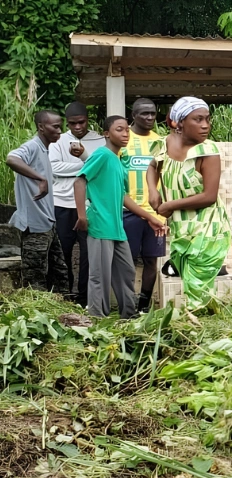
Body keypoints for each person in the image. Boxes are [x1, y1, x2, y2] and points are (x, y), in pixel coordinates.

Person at [74, 116, 166, 319]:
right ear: (106, 133)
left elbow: (124, 197)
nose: (125, 134)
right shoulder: (102, 155)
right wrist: (81, 215)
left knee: (126, 272)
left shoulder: (118, 161)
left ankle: (128, 316)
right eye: (119, 130)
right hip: (99, 224)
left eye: (127, 130)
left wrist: (149, 217)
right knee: (99, 276)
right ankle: (98, 319)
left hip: (117, 227)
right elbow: (79, 182)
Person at [146, 97, 231, 310]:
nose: (205, 125)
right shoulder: (165, 144)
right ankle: (204, 328)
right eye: (198, 119)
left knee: (197, 294)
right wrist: (153, 189)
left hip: (208, 231)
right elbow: (152, 166)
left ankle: (200, 335)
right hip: (182, 231)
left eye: (207, 119)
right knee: (193, 290)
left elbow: (209, 196)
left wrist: (169, 206)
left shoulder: (208, 151)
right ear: (179, 122)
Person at [5, 110, 70, 293]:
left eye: (61, 126)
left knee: (60, 274)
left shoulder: (44, 149)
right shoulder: (33, 146)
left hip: (48, 224)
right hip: (35, 227)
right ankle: (36, 317)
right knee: (35, 280)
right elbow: (11, 159)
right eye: (55, 126)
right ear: (41, 127)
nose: (60, 130)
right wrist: (41, 179)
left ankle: (64, 312)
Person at [49, 101, 105, 306]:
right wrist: (85, 165)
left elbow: (101, 169)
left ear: (87, 120)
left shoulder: (99, 140)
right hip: (61, 202)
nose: (77, 127)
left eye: (81, 122)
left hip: (89, 205)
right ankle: (64, 295)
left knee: (88, 254)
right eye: (72, 124)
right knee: (62, 251)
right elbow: (54, 167)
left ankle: (84, 297)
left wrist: (84, 162)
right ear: (67, 123)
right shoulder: (58, 140)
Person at [119, 98, 165, 312]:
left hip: (156, 215)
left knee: (151, 261)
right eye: (144, 114)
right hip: (128, 211)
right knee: (127, 261)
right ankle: (126, 305)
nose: (149, 118)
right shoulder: (123, 139)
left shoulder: (161, 142)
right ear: (133, 115)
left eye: (153, 114)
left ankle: (143, 306)